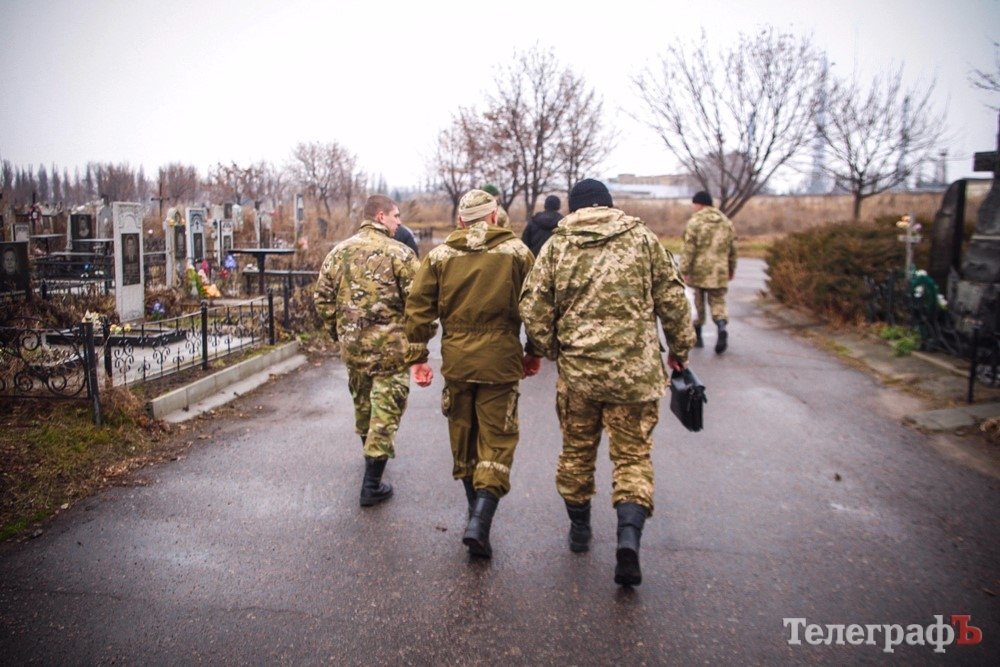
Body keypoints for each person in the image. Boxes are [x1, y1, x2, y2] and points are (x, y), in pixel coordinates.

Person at [519, 178, 695, 587]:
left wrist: (548, 349)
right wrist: (679, 348)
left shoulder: (557, 246)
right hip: (635, 377)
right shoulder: (643, 239)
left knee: (577, 453)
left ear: (576, 208)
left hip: (579, 376)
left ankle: (580, 532)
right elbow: (672, 297)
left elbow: (533, 305)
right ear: (610, 204)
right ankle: (628, 538)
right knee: (632, 458)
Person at [406, 189, 541, 558]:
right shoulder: (516, 253)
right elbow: (537, 305)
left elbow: (418, 307)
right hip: (501, 362)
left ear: (462, 220)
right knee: (497, 439)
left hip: (458, 363)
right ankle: (481, 520)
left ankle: (472, 514)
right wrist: (535, 350)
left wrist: (418, 355)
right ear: (494, 216)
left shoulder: (439, 256)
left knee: (464, 437)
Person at [314, 194, 420, 507]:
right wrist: (416, 342)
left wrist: (340, 332)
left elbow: (322, 298)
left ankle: (370, 463)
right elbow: (420, 300)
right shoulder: (400, 254)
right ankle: (371, 485)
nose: (399, 221)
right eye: (395, 215)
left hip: (354, 348)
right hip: (390, 350)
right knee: (386, 410)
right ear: (380, 215)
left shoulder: (339, 252)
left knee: (364, 405)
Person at [680, 191, 737, 354]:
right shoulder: (725, 221)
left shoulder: (695, 222)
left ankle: (698, 338)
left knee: (697, 305)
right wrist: (731, 268)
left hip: (697, 271)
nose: (693, 208)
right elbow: (733, 248)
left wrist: (684, 270)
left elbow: (688, 248)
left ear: (699, 204)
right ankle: (721, 327)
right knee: (718, 301)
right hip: (719, 271)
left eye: (694, 204)